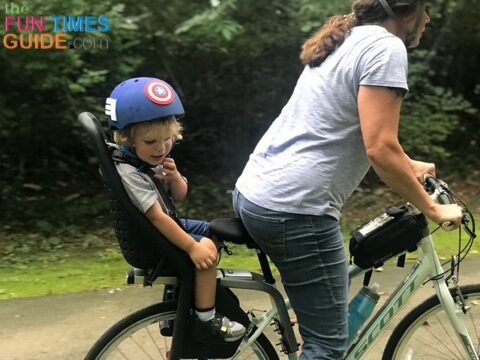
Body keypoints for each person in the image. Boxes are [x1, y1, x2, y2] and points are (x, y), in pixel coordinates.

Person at [233, 0, 463, 358]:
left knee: (323, 318)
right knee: (327, 347)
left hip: (258, 191)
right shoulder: (387, 47)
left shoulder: (351, 37)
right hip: (296, 210)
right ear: (405, 12)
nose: (429, 18)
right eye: (425, 8)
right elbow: (380, 148)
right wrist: (432, 208)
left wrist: (409, 165)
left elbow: (347, 127)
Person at [105, 77, 246, 342]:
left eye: (168, 139)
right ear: (126, 138)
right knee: (206, 250)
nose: (160, 148)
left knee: (212, 231)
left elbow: (179, 197)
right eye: (150, 142)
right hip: (151, 239)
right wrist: (194, 248)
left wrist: (174, 178)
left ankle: (188, 293)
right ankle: (206, 318)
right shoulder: (129, 172)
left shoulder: (145, 159)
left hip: (161, 228)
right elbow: (156, 216)